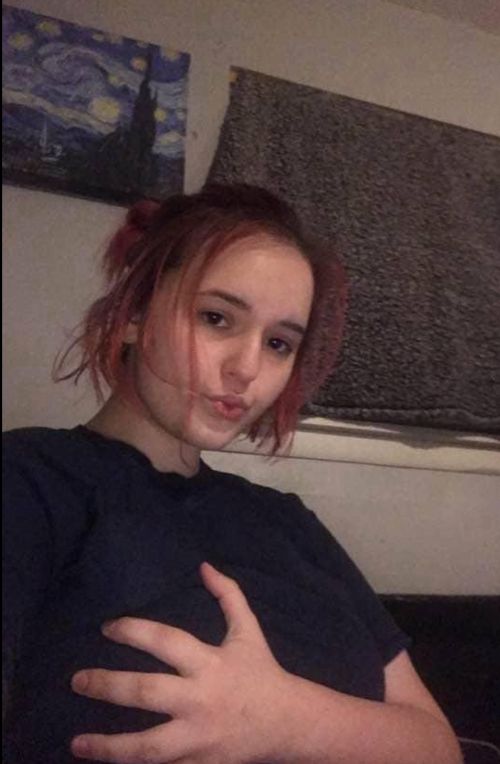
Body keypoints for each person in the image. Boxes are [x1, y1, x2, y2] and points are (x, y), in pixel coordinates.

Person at [2, 184, 462, 764]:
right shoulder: (29, 481)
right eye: (217, 318)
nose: (248, 368)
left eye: (279, 343)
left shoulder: (288, 522)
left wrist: (285, 718)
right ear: (134, 315)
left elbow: (438, 746)